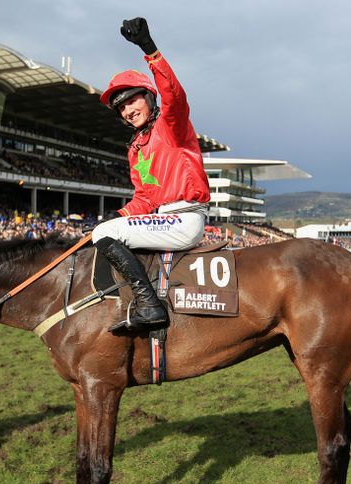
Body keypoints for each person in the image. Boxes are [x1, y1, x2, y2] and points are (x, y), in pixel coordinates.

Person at [92, 17, 211, 332]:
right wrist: (115, 214)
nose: (128, 110)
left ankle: (149, 306)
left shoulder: (171, 125)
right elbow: (145, 198)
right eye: (121, 108)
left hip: (184, 218)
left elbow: (174, 94)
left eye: (132, 100)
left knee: (103, 235)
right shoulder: (135, 149)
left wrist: (149, 49)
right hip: (164, 218)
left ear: (148, 98)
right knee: (106, 228)